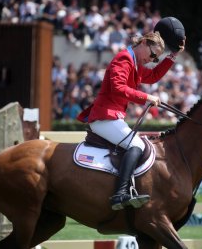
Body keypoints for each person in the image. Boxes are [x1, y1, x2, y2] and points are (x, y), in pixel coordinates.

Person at [77, 31, 185, 210]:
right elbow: (119, 88)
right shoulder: (124, 59)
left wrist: (172, 57)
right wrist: (146, 98)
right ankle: (119, 194)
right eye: (152, 55)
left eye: (156, 58)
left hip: (111, 117)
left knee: (137, 145)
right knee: (138, 146)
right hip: (104, 117)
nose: (152, 60)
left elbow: (153, 76)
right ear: (143, 43)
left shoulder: (134, 62)